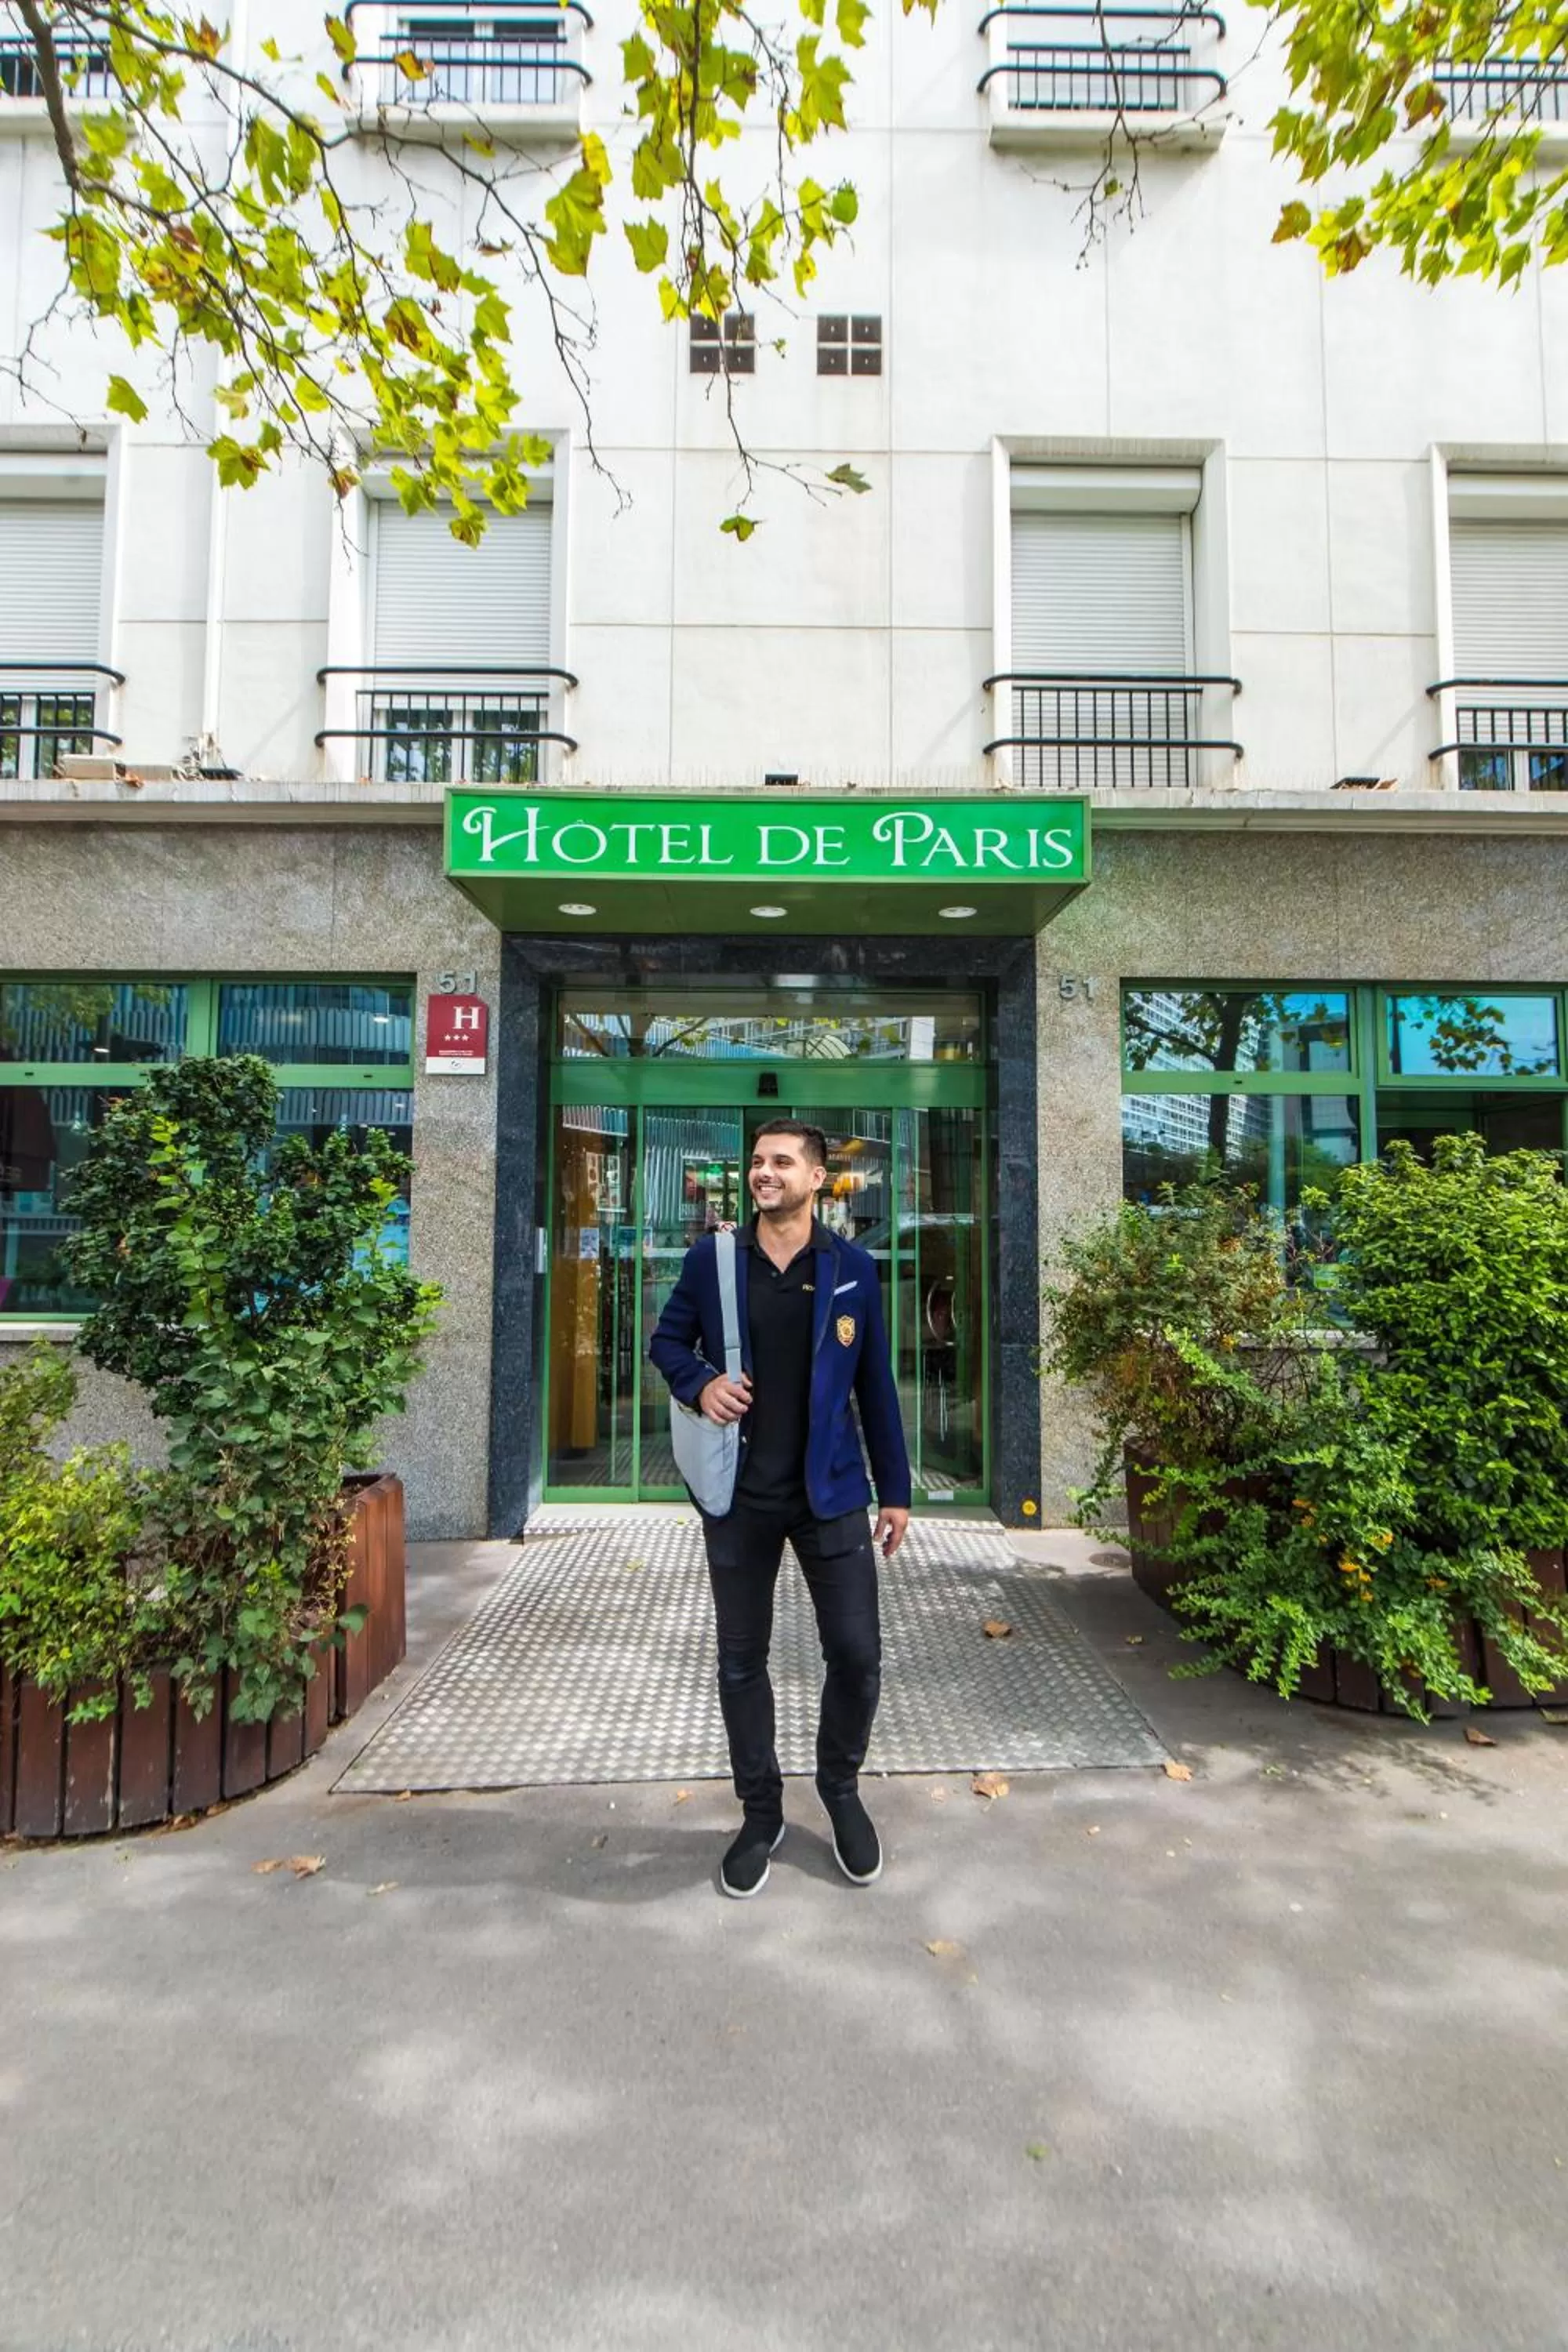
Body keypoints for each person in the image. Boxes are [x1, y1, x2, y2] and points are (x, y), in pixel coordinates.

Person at [649, 1118, 911, 1899]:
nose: (763, 1173)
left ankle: (838, 1789)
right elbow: (666, 1343)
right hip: (739, 1501)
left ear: (816, 1176)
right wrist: (699, 1383)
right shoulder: (714, 1261)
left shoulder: (851, 1268)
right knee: (740, 1662)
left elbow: (875, 1387)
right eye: (757, 1162)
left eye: (780, 1163)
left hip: (829, 1494)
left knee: (857, 1656)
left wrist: (893, 1488)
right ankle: (759, 1813)